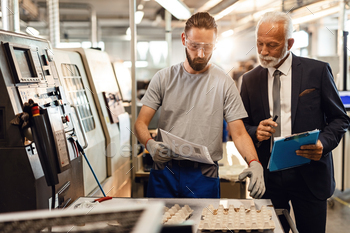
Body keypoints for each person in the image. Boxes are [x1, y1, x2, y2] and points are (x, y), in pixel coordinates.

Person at [134, 12, 265, 199]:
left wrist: (254, 162)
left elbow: (239, 132)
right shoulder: (163, 78)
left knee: (202, 227)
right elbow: (140, 123)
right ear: (183, 39)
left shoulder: (224, 83)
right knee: (159, 226)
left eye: (208, 47)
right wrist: (150, 144)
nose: (201, 54)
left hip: (203, 176)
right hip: (165, 171)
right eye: (194, 46)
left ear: (215, 44)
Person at [240, 11, 350, 233]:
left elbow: (340, 119)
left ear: (290, 43)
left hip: (310, 176)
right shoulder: (250, 79)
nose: (263, 51)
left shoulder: (316, 71)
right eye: (259, 43)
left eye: (271, 45)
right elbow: (241, 126)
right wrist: (255, 131)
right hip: (268, 178)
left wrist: (323, 143)